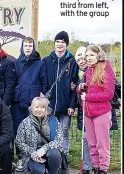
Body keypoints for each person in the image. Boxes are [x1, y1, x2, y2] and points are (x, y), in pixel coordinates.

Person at [42, 31, 79, 167]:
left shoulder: (72, 61)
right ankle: (49, 158)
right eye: (58, 41)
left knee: (63, 133)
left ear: (66, 44)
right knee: (48, 132)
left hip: (65, 105)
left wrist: (72, 105)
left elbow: (75, 85)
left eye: (63, 42)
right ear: (54, 43)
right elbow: (43, 82)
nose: (60, 44)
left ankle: (64, 159)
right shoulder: (46, 60)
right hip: (49, 105)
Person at [12, 37, 48, 171]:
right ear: (22, 47)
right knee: (18, 131)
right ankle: (20, 158)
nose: (28, 48)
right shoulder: (16, 63)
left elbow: (44, 82)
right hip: (17, 102)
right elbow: (13, 82)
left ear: (33, 47)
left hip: (33, 103)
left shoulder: (39, 63)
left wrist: (43, 96)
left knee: (33, 131)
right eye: (25, 45)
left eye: (30, 45)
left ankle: (33, 158)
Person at [78, 45, 115, 174]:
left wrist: (87, 96)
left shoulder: (106, 69)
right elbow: (82, 91)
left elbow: (108, 94)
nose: (88, 58)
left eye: (91, 55)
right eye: (87, 55)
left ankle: (103, 169)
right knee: (92, 144)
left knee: (102, 144)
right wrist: (80, 88)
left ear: (98, 55)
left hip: (101, 113)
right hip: (88, 112)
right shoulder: (88, 71)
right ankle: (96, 167)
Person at [16, 97, 63, 174]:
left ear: (46, 109)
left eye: (42, 107)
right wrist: (33, 153)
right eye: (37, 107)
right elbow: (19, 142)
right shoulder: (25, 123)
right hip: (31, 154)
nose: (39, 110)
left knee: (54, 154)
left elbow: (59, 139)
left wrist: (44, 149)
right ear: (32, 108)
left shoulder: (54, 121)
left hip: (49, 151)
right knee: (39, 171)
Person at [72, 46, 92, 174]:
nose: (82, 61)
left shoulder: (95, 70)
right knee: (85, 139)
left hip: (96, 110)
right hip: (83, 111)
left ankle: (98, 166)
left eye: (84, 58)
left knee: (95, 141)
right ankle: (86, 167)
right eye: (79, 59)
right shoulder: (75, 75)